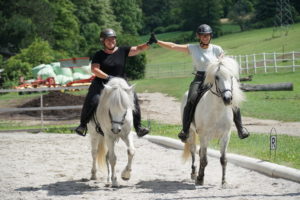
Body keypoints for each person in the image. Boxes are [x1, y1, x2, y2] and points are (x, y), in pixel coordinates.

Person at [150, 24, 249, 142]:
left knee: (231, 98)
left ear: (210, 36)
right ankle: (185, 130)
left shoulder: (217, 49)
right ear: (198, 36)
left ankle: (240, 128)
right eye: (203, 35)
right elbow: (173, 46)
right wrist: (157, 41)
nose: (205, 37)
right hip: (199, 78)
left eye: (207, 35)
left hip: (214, 79)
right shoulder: (193, 48)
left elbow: (223, 65)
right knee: (191, 98)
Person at [75, 28, 156, 137]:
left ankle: (138, 127)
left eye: (113, 39)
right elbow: (95, 70)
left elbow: (138, 48)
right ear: (103, 41)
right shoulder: (98, 54)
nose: (111, 41)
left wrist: (148, 43)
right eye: (108, 40)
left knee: (134, 99)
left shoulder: (122, 50)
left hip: (120, 83)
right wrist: (108, 77)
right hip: (102, 83)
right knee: (93, 100)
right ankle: (83, 125)